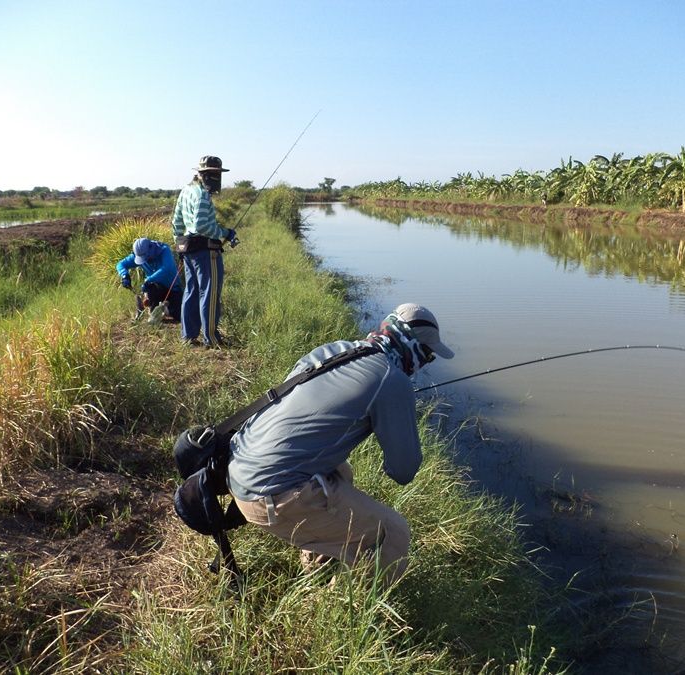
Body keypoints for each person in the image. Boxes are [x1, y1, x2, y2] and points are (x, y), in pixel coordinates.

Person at [226, 303, 454, 586]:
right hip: (268, 497)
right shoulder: (392, 380)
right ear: (413, 346)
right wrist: (393, 411)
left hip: (237, 470)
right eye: (428, 355)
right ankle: (345, 607)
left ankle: (319, 563)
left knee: (341, 471)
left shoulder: (333, 349)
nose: (425, 362)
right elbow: (403, 471)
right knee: (394, 533)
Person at [171, 155, 238, 348]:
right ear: (202, 174)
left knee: (191, 291)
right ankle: (212, 339)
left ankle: (188, 336)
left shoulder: (186, 191)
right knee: (209, 292)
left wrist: (180, 244)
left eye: (217, 173)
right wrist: (224, 233)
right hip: (205, 251)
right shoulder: (202, 194)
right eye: (212, 174)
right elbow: (201, 225)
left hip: (188, 249)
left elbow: (177, 222)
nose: (216, 178)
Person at [116, 237, 182, 321]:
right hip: (155, 288)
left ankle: (166, 309)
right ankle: (154, 310)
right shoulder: (138, 254)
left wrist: (149, 279)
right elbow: (120, 264)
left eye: (145, 256)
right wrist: (125, 276)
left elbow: (167, 268)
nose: (144, 260)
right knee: (154, 314)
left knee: (178, 316)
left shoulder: (164, 250)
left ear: (151, 248)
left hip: (173, 288)